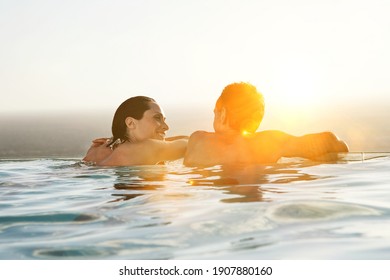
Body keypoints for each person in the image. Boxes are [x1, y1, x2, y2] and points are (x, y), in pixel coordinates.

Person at [183, 82, 349, 167]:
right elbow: (330, 142)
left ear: (223, 113)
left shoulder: (197, 140)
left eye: (215, 112)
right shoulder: (266, 142)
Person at [83, 96, 188, 166]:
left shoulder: (96, 150)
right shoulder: (147, 148)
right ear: (130, 123)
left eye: (164, 120)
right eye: (157, 118)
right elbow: (192, 142)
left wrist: (114, 139)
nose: (166, 127)